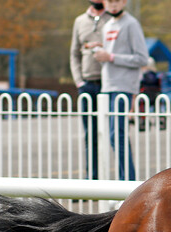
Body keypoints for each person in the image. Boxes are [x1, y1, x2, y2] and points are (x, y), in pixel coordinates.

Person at [93, 0, 148, 180]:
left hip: (123, 86)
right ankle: (124, 180)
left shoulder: (131, 24)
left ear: (124, 2)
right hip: (107, 85)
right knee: (112, 137)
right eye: (110, 1)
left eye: (117, 1)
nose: (113, 5)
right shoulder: (107, 24)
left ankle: (128, 183)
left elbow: (142, 58)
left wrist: (111, 57)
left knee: (118, 135)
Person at [69, 0, 108, 180]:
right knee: (90, 135)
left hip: (108, 85)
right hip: (87, 84)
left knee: (114, 135)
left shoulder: (113, 19)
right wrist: (79, 81)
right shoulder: (80, 21)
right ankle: (91, 180)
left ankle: (123, 184)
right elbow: (74, 54)